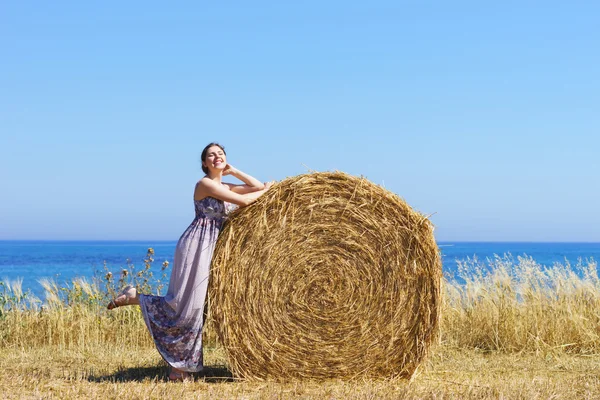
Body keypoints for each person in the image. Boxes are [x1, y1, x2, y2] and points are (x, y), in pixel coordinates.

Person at [107, 142, 273, 381]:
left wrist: (233, 170)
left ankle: (136, 301)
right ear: (204, 163)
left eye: (221, 154)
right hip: (196, 245)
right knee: (185, 305)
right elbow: (249, 200)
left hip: (211, 246)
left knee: (196, 307)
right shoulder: (204, 184)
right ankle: (178, 367)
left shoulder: (225, 184)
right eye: (211, 155)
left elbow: (254, 186)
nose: (216, 157)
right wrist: (268, 191)